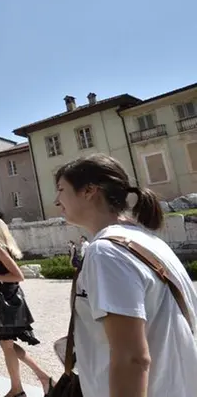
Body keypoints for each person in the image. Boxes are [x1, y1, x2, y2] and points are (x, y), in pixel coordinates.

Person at [54, 153, 197, 397]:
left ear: (89, 190)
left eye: (61, 189)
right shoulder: (146, 240)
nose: (57, 200)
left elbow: (132, 358)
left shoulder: (106, 252)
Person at [0, 217, 53, 397]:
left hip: (11, 302)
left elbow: (19, 276)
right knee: (7, 344)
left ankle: (27, 384)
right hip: (7, 300)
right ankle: (26, 384)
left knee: (7, 344)